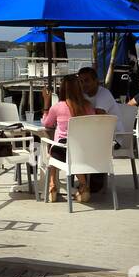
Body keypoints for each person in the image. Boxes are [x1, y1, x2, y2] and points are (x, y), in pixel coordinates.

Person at [40, 73, 96, 203]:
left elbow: (46, 123)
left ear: (62, 89)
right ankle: (83, 185)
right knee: (69, 151)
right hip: (85, 151)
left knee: (53, 150)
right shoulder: (88, 106)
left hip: (63, 151)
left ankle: (52, 185)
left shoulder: (58, 107)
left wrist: (46, 102)